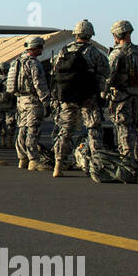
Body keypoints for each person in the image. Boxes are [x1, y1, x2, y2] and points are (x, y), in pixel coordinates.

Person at [51, 20, 111, 177]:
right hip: (87, 96)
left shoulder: (63, 51)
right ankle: (97, 165)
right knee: (93, 128)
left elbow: (55, 72)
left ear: (76, 34)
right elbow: (105, 71)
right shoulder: (93, 52)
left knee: (65, 130)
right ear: (90, 34)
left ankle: (58, 164)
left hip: (67, 96)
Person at [106, 20, 138, 164]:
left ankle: (127, 160)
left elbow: (109, 76)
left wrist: (104, 92)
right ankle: (136, 158)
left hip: (121, 95)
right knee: (135, 126)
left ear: (117, 35)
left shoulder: (116, 53)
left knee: (123, 127)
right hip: (137, 94)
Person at [9, 36, 51, 171]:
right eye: (40, 47)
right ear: (34, 48)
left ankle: (22, 158)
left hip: (20, 100)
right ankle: (33, 159)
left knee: (22, 128)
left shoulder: (17, 62)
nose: (41, 49)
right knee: (32, 129)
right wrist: (46, 101)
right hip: (32, 100)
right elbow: (39, 83)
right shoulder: (33, 63)